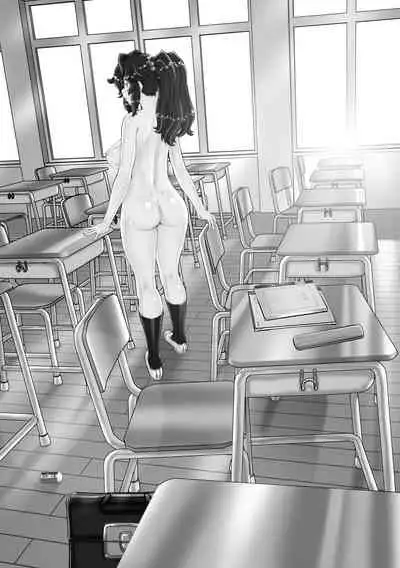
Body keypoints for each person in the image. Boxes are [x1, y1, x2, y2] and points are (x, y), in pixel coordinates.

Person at [85, 49, 216, 381]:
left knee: (147, 284)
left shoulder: (133, 121)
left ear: (136, 82)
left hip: (140, 206)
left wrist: (107, 220)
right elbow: (181, 172)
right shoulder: (168, 118)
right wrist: (200, 208)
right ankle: (180, 338)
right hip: (171, 204)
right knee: (172, 276)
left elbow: (124, 175)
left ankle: (155, 358)